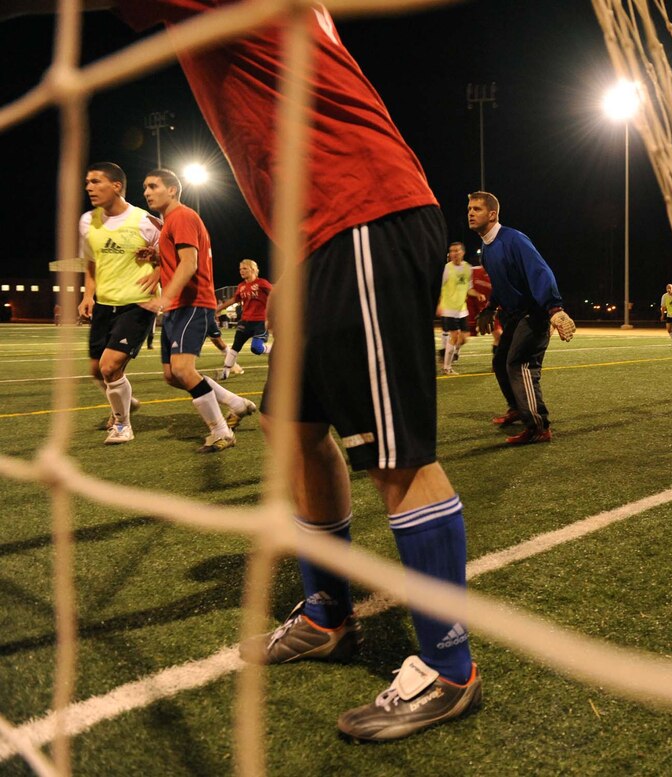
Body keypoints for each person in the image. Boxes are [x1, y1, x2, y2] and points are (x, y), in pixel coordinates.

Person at [77, 1, 482, 742]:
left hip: (359, 212)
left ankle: (450, 668)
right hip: (319, 233)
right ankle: (328, 612)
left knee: (395, 454)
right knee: (290, 423)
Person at [141, 168, 257, 451]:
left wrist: (164, 297)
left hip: (191, 303)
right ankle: (236, 403)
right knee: (172, 375)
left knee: (183, 369)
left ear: (172, 190)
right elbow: (177, 258)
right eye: (145, 187)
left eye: (153, 186)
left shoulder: (181, 216)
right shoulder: (170, 222)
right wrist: (156, 258)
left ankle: (221, 432)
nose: (146, 192)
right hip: (178, 306)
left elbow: (190, 263)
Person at [468, 191, 576, 445]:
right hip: (516, 314)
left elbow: (539, 271)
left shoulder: (513, 239)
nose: (471, 213)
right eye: (469, 209)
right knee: (500, 360)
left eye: (477, 209)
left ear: (492, 214)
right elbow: (503, 282)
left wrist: (554, 308)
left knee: (520, 364)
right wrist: (490, 307)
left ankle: (539, 426)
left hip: (536, 313)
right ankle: (517, 409)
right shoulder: (487, 246)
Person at [77, 162, 160, 444]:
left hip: (137, 304)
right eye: (87, 182)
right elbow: (90, 262)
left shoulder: (145, 221)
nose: (89, 187)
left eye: (96, 181)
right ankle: (124, 403)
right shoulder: (88, 221)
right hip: (104, 304)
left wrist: (159, 282)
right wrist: (88, 295)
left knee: (110, 366)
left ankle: (122, 425)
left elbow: (171, 257)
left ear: (116, 186)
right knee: (96, 369)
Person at [215, 258, 273, 380]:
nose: (241, 271)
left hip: (260, 322)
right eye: (240, 269)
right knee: (235, 346)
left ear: (253, 269)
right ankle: (225, 373)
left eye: (244, 268)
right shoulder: (241, 286)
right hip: (245, 322)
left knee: (256, 348)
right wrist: (218, 309)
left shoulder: (262, 283)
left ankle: (275, 349)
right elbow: (233, 300)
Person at [437, 242, 478, 375]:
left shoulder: (468, 268)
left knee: (465, 337)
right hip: (449, 309)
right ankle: (446, 367)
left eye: (456, 251)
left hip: (462, 310)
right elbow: (439, 288)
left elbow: (469, 288)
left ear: (463, 252)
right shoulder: (446, 268)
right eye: (451, 251)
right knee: (454, 337)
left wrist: (478, 294)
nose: (454, 253)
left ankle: (449, 352)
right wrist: (439, 305)